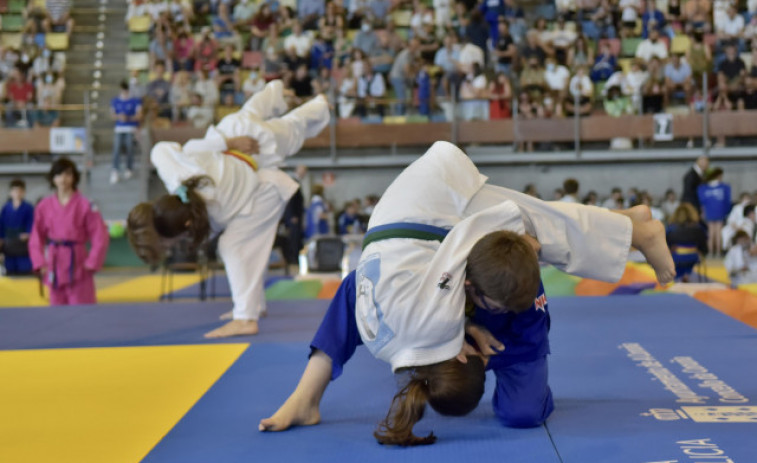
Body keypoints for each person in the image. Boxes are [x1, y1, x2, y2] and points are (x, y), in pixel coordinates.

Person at [259, 141, 675, 442]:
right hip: (406, 225)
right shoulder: (385, 339)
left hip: (434, 204)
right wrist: (466, 327)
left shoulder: (436, 313)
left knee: (529, 231)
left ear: (458, 351)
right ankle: (625, 222)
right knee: (533, 234)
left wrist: (523, 239)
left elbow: (482, 232)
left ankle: (640, 231)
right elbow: (363, 290)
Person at [127, 81, 329, 338]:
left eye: (169, 244)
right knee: (266, 113)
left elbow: (244, 250)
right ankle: (284, 93)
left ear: (185, 225)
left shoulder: (216, 210)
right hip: (237, 137)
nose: (172, 248)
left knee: (233, 246)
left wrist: (228, 143)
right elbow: (161, 150)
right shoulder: (177, 177)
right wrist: (225, 142)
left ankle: (246, 317)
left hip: (255, 147)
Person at [29, 158, 110, 305]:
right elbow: (36, 237)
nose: (63, 179)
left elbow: (100, 235)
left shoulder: (86, 204)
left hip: (78, 263)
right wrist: (40, 262)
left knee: (82, 311)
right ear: (53, 178)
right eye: (58, 175)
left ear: (74, 177)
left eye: (67, 174)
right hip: (54, 263)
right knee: (57, 314)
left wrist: (92, 262)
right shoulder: (44, 206)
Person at [110, 81, 143, 184]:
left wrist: (128, 118)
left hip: (131, 128)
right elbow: (112, 115)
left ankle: (129, 168)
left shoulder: (135, 101)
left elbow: (139, 115)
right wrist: (120, 117)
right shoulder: (115, 101)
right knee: (116, 148)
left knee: (129, 147)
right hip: (119, 128)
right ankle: (115, 170)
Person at [0, 179, 34, 275]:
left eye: (20, 191)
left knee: (24, 270)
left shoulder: (28, 208)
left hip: (23, 244)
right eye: (15, 191)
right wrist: (1, 238)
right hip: (8, 243)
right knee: (10, 270)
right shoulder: (5, 208)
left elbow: (31, 223)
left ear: (24, 192)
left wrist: (28, 233)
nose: (17, 193)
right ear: (10, 192)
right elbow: (1, 224)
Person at [666, 203, 707, 282]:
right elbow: (704, 248)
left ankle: (679, 277)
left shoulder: (670, 229)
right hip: (693, 257)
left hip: (676, 256)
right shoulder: (698, 228)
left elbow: (666, 245)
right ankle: (686, 274)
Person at [697, 167, 731, 256]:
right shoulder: (724, 187)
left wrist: (703, 212)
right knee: (718, 232)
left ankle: (711, 252)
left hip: (709, 211)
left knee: (711, 232)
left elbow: (702, 202)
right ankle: (718, 252)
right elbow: (727, 201)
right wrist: (726, 212)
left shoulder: (703, 188)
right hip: (719, 211)